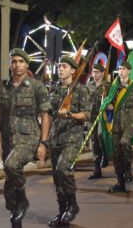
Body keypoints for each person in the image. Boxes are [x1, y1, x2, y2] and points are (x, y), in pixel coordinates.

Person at [0, 48, 52, 228]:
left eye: (21, 61)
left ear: (27, 64)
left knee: (10, 165)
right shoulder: (1, 88)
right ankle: (17, 219)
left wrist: (43, 143)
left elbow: (45, 114)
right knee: (9, 196)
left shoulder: (36, 86)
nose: (17, 65)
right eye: (14, 61)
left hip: (29, 139)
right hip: (9, 142)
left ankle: (23, 200)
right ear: (10, 64)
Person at [47, 56, 92, 227]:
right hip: (56, 137)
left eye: (64, 66)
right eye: (59, 66)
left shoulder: (81, 90)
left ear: (73, 70)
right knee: (57, 178)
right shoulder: (55, 89)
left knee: (63, 168)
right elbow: (48, 113)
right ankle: (62, 211)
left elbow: (87, 114)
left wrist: (71, 114)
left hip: (72, 137)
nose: (60, 69)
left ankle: (73, 205)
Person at [106, 61, 133, 192]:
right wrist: (106, 103)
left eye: (124, 69)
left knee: (124, 143)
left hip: (130, 121)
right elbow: (110, 105)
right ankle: (120, 181)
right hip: (117, 122)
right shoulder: (114, 86)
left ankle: (128, 165)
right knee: (116, 153)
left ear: (129, 71)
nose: (121, 71)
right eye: (120, 69)